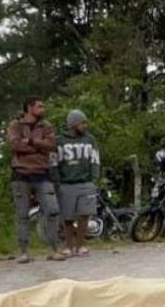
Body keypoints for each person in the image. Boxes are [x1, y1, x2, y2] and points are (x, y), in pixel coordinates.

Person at [8, 97, 65, 263]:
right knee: (22, 214)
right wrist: (39, 147)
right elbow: (15, 145)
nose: (43, 108)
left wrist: (31, 142)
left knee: (53, 210)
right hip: (21, 173)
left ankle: (54, 249)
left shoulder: (46, 126)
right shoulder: (15, 126)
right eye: (40, 106)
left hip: (43, 173)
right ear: (29, 107)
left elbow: (52, 145)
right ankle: (24, 252)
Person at [52, 109, 101, 258]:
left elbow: (95, 159)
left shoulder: (90, 139)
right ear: (73, 124)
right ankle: (69, 246)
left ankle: (80, 245)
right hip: (66, 183)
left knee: (84, 216)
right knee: (67, 217)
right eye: (82, 122)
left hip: (86, 182)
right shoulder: (59, 140)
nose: (85, 125)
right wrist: (57, 181)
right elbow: (53, 162)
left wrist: (94, 178)